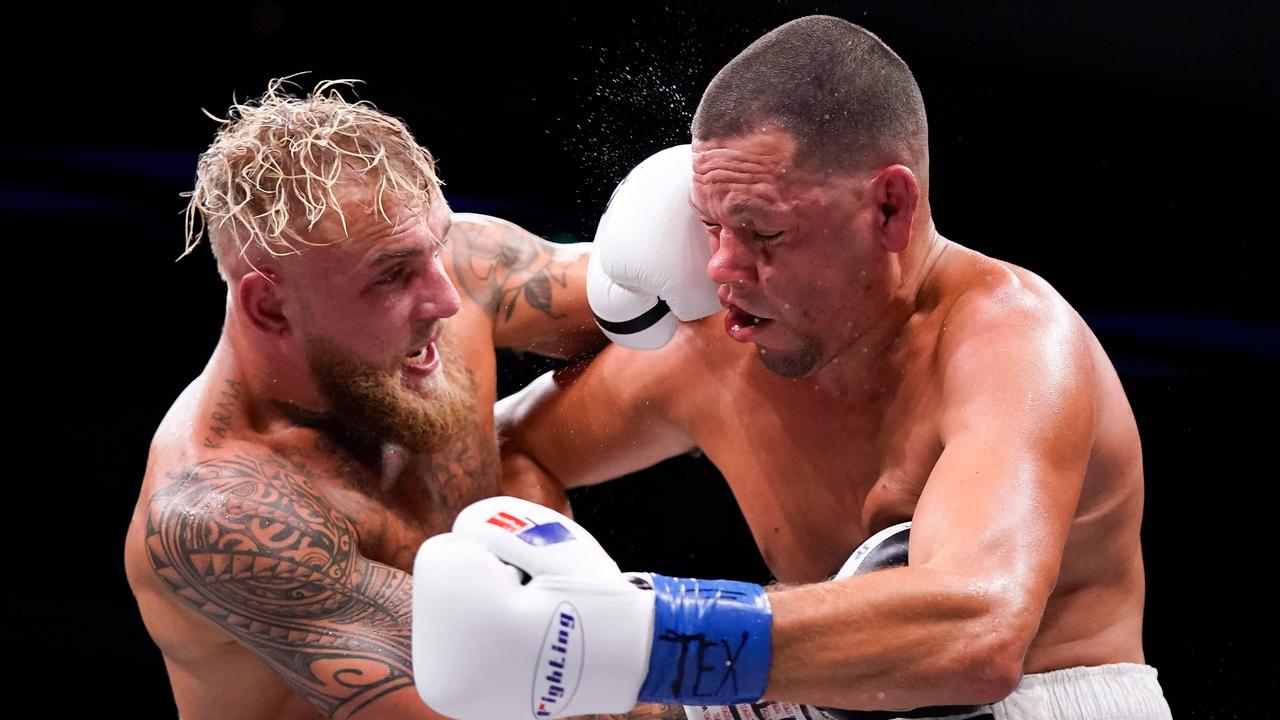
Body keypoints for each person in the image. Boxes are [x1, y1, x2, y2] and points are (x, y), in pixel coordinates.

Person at [472, 15, 1171, 720]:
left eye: (764, 231)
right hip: (815, 695)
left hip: (1043, 696)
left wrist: (645, 630)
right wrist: (561, 590)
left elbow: (977, 634)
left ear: (890, 207)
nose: (721, 268)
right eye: (711, 225)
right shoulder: (716, 344)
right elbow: (514, 445)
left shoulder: (1013, 341)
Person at [123, 77, 603, 720]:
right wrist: (742, 664)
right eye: (393, 274)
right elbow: (498, 692)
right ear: (269, 305)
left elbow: (658, 299)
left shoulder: (448, 261)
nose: (445, 296)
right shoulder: (222, 512)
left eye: (435, 245)